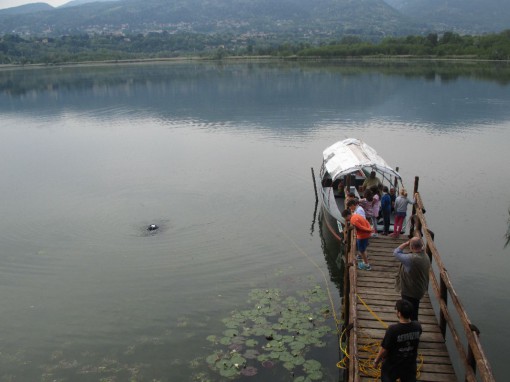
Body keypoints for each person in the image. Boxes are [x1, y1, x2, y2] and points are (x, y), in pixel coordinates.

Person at [373, 299, 422, 382]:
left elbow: (384, 350)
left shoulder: (393, 330)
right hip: (410, 365)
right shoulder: (417, 326)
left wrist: (376, 361)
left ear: (399, 313)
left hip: (393, 365)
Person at [394, 237, 430, 321]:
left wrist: (406, 243)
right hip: (419, 288)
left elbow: (396, 252)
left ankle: (410, 327)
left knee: (409, 312)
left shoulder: (410, 259)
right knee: (414, 309)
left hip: (410, 291)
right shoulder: (425, 255)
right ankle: (413, 326)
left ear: (412, 247)